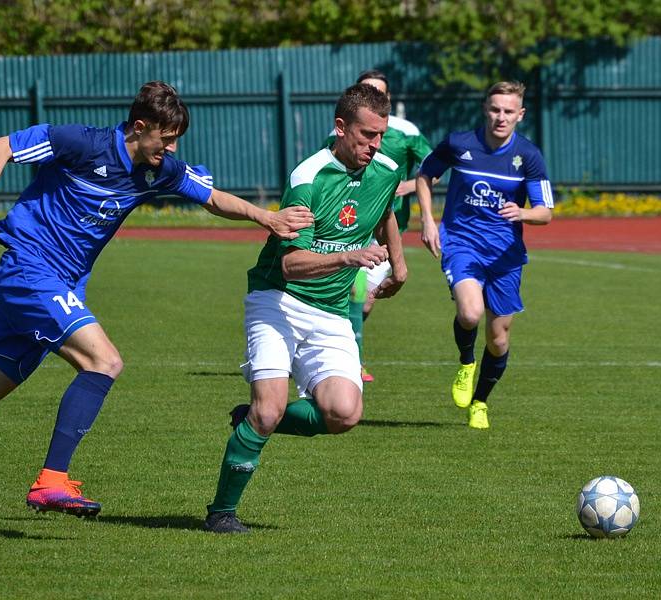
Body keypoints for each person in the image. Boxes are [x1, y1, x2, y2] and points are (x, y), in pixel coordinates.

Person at [0, 81, 313, 517]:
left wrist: (266, 218)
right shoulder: (82, 143)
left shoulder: (158, 171)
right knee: (104, 362)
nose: (172, 149)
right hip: (29, 271)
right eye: (167, 138)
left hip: (58, 286)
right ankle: (52, 481)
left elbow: (211, 197)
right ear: (139, 126)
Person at [203, 83, 408, 534]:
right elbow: (292, 265)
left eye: (380, 136)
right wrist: (348, 257)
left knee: (344, 413)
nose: (374, 146)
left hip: (331, 311)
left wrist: (399, 262)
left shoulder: (387, 168)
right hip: (278, 302)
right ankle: (221, 512)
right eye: (366, 135)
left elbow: (387, 210)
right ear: (340, 128)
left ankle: (253, 419)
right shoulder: (307, 179)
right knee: (271, 408)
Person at [416, 81, 554, 429]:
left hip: (505, 256)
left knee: (499, 337)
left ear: (520, 115)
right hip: (461, 242)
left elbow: (545, 211)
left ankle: (480, 401)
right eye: (495, 109)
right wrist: (429, 222)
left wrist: (522, 213)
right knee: (470, 311)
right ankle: (466, 363)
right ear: (485, 108)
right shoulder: (460, 143)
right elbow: (425, 176)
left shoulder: (529, 156)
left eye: (509, 111)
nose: (501, 117)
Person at [338, 70, 435, 383]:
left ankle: (344, 353)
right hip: (354, 232)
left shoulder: (406, 132)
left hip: (388, 232)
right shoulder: (343, 133)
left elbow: (434, 166)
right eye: (366, 90)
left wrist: (405, 187)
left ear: (388, 99)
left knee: (362, 299)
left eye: (378, 92)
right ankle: (351, 362)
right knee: (355, 293)